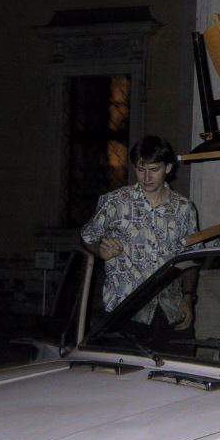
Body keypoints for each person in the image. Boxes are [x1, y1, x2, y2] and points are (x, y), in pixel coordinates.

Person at [81, 135, 198, 329]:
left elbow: (191, 257)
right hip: (124, 309)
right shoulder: (115, 202)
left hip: (169, 308)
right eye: (141, 169)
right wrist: (101, 251)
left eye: (154, 170)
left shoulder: (184, 208)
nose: (147, 178)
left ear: (168, 168)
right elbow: (87, 237)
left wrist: (188, 296)